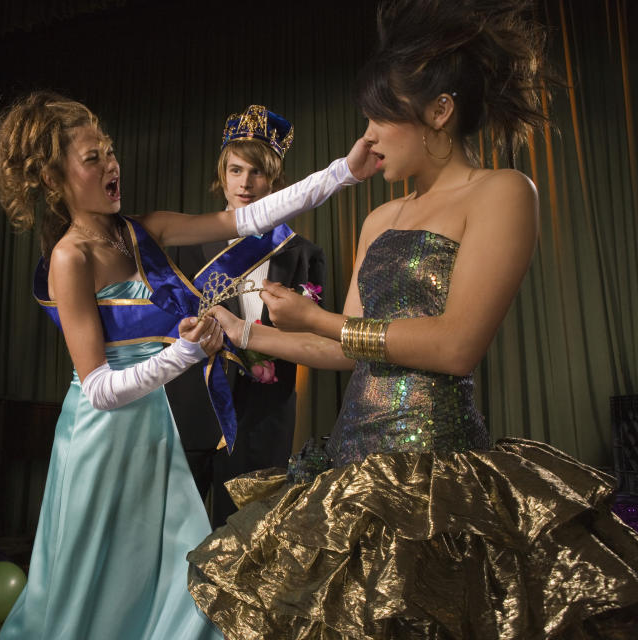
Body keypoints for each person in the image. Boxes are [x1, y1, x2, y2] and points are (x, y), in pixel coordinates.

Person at [187, 1, 638, 638]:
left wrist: (319, 321)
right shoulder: (378, 220)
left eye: (378, 121)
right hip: (349, 474)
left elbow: (455, 347)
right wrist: (247, 334)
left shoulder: (503, 193)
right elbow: (350, 353)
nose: (365, 141)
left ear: (439, 112)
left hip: (438, 479)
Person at [0, 92, 377, 640]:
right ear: (53, 180)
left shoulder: (140, 231)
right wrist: (186, 353)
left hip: (151, 424)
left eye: (110, 152)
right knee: (94, 577)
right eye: (92, 158)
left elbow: (246, 217)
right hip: (100, 434)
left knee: (177, 572)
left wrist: (345, 172)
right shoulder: (69, 257)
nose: (111, 165)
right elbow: (97, 387)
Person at [166, 105, 325, 528]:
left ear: (276, 180)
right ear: (222, 175)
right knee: (167, 541)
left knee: (246, 549)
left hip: (263, 418)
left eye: (257, 172)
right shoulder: (184, 244)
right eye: (236, 170)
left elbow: (316, 340)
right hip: (190, 410)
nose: (246, 184)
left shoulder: (302, 255)